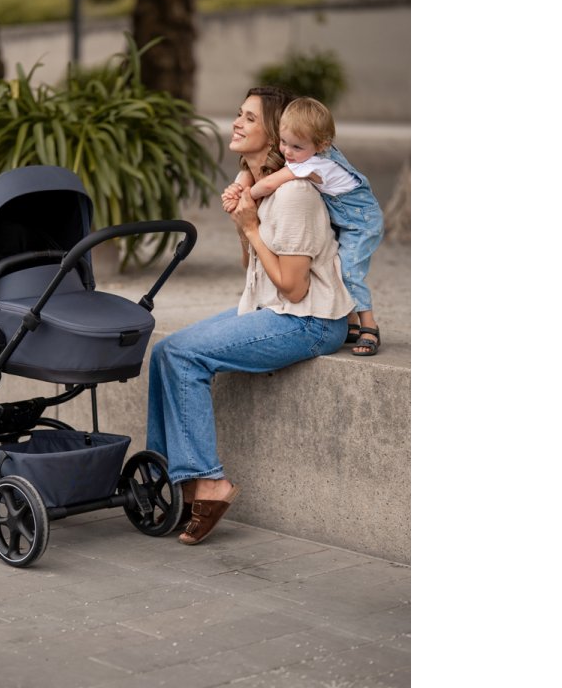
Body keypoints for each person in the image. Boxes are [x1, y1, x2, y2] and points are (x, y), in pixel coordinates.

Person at [145, 87, 355, 546]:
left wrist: (251, 228)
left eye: (250, 118)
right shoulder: (259, 187)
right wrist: (245, 225)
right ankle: (171, 479)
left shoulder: (296, 195)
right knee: (164, 351)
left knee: (183, 356)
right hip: (272, 308)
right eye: (239, 114)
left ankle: (208, 481)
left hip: (309, 321)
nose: (238, 122)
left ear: (276, 136)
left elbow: (294, 287)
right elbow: (253, 270)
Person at [224, 97, 384, 356]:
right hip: (344, 215)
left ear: (322, 145)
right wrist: (241, 182)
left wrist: (244, 197)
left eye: (296, 146)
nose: (288, 152)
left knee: (349, 271)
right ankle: (351, 319)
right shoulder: (307, 151)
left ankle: (369, 325)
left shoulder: (311, 166)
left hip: (361, 222)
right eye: (284, 142)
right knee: (336, 262)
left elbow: (267, 183)